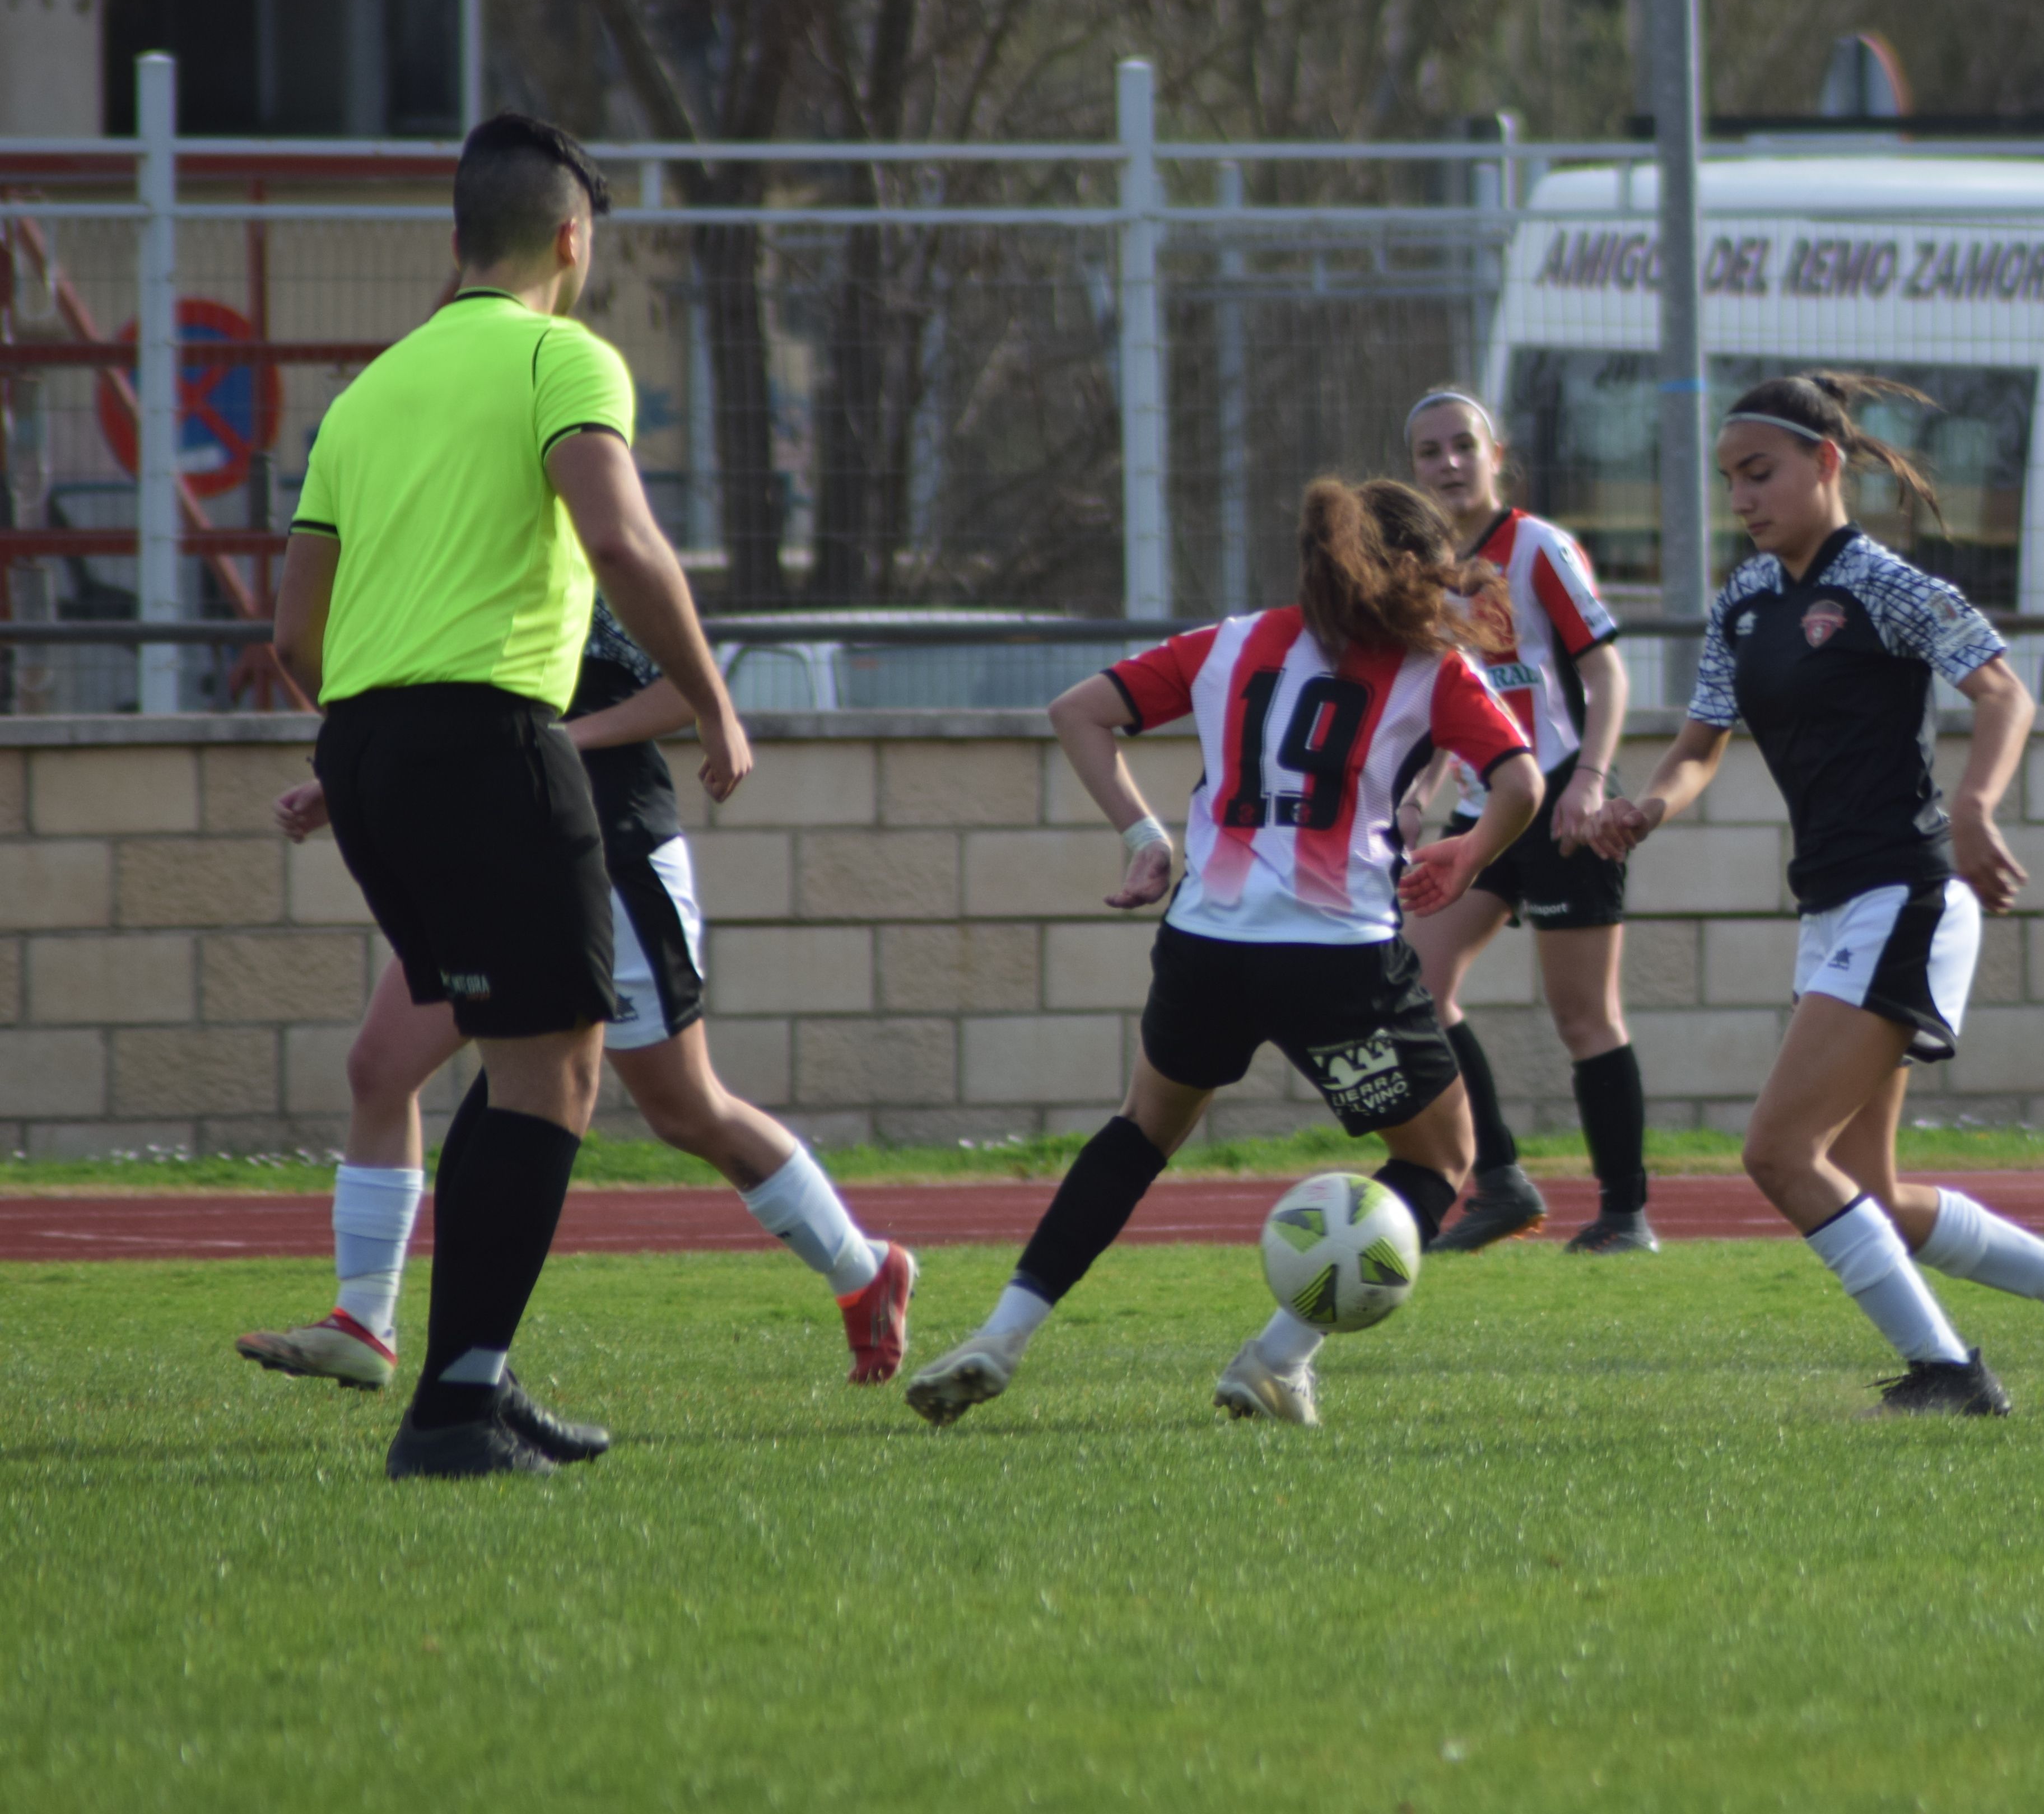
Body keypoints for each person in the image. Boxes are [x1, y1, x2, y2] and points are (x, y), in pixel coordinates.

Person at [272, 111, 752, 1480]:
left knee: (510, 1048)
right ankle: (454, 1408)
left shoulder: (371, 390)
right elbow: (617, 532)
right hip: (491, 739)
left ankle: (466, 1375)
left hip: (362, 749)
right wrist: (712, 699)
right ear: (572, 239)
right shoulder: (563, 355)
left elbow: (295, 635)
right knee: (558, 1068)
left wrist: (374, 732)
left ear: (455, 238)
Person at [904, 478, 1540, 1431]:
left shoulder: (1232, 641)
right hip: (1338, 958)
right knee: (1444, 1158)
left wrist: (1143, 838)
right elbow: (1522, 783)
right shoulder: (1432, 669)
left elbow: (1079, 711)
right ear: (1418, 571)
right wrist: (1469, 851)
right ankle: (1278, 1358)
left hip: (1205, 942)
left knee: (1141, 1133)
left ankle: (1001, 1333)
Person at [1589, 374, 2044, 1415]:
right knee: (1869, 1188)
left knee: (1777, 1152)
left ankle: (1950, 1371)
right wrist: (1648, 809)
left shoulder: (1880, 581)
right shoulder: (1746, 599)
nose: (1744, 499)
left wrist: (1977, 808)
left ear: (1827, 463)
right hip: (1836, 908)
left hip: (1908, 897)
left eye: (1763, 473)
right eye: (1730, 480)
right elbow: (1700, 744)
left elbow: (2001, 687)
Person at [237, 598, 913, 1394]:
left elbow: (683, 693)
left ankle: (863, 1270)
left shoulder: (585, 558)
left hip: (612, 858)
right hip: (498, 857)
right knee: (381, 1068)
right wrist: (346, 782)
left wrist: (550, 744)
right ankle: (363, 1321)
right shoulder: (464, 562)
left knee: (684, 1108)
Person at [1393, 388, 1655, 1253]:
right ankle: (1500, 1181)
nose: (1448, 464)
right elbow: (1446, 696)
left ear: (1496, 453)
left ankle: (1625, 1215)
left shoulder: (1539, 547)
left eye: (1463, 446)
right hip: (1486, 810)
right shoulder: (1420, 569)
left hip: (1560, 801)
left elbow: (1608, 675)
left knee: (1584, 1016)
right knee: (1415, 986)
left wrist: (1590, 780)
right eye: (1430, 453)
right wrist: (1424, 782)